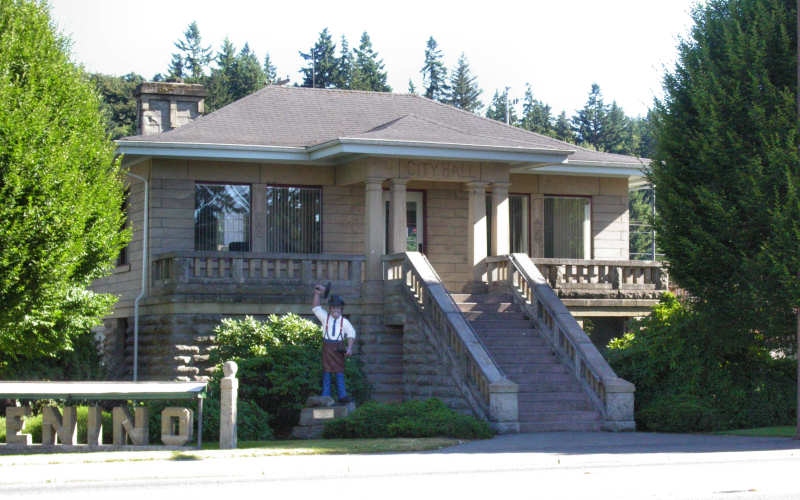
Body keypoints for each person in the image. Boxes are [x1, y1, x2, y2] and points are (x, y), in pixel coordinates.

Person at [312, 284, 356, 403]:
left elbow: (351, 334)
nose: (336, 310)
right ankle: (326, 395)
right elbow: (316, 308)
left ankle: (342, 395)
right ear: (330, 308)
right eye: (333, 308)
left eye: (338, 308)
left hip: (339, 347)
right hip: (327, 347)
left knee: (339, 371)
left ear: (341, 309)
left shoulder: (344, 322)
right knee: (326, 371)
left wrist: (349, 348)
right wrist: (317, 294)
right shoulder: (325, 318)